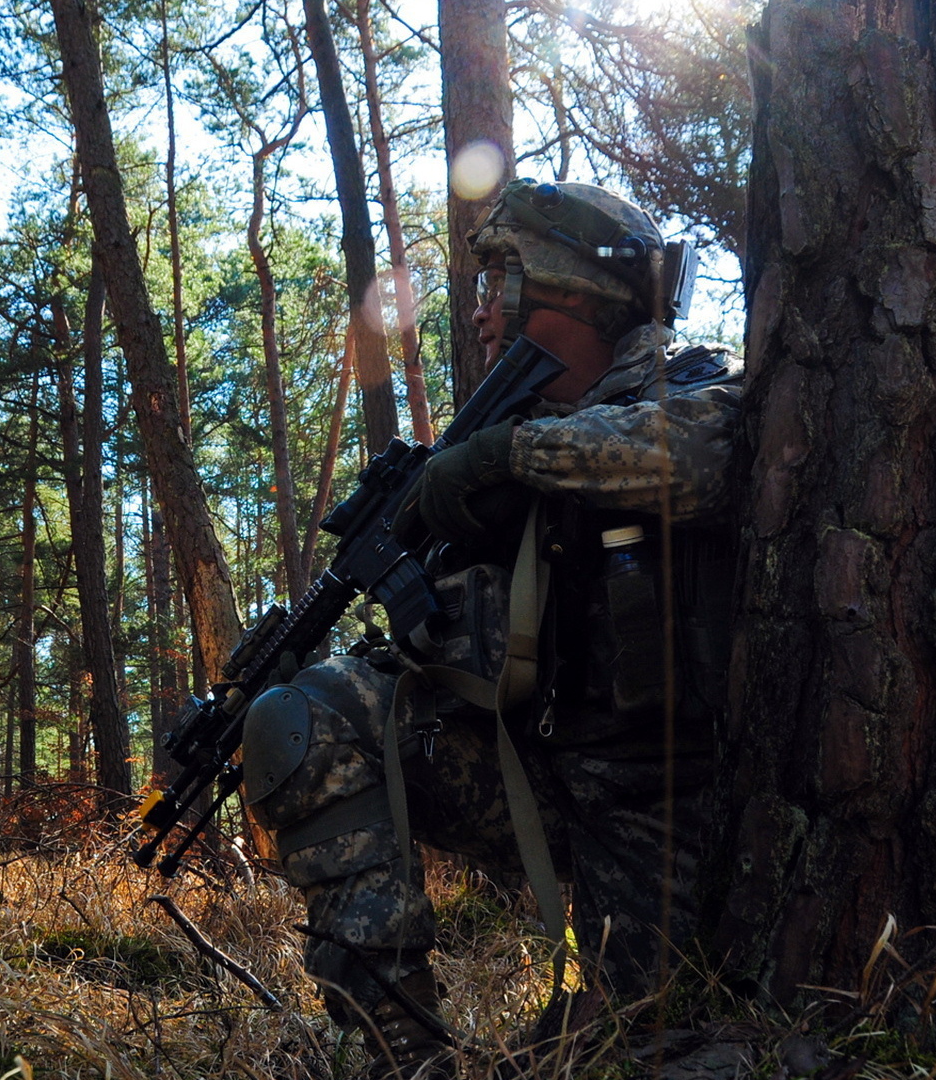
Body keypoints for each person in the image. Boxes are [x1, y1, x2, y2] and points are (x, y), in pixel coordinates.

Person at [237, 180, 742, 1078]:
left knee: (644, 1046)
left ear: (563, 291)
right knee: (311, 712)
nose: (478, 317)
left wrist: (507, 458)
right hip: (543, 787)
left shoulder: (696, 387)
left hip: (667, 816)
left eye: (495, 286)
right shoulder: (500, 449)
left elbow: (704, 455)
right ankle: (399, 1052)